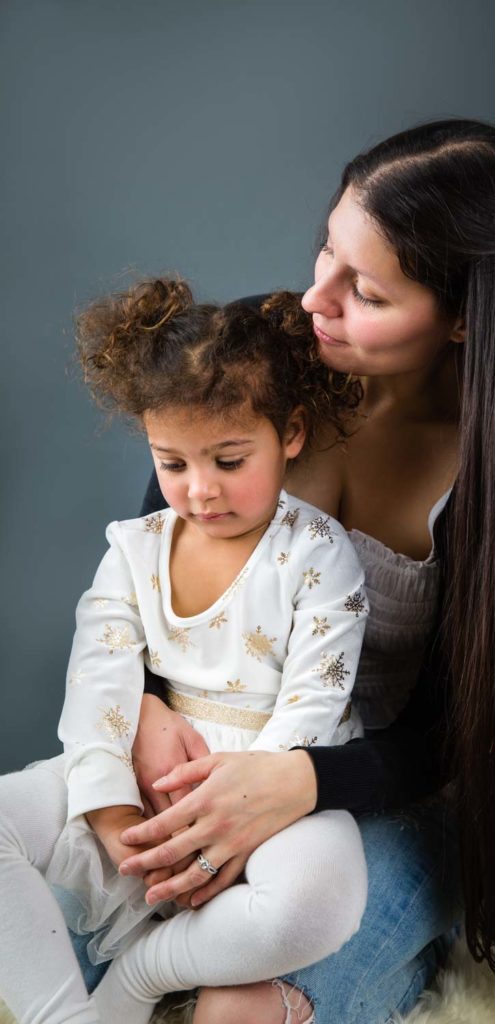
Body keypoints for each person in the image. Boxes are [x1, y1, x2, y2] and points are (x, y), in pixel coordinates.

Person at [117, 119, 495, 1024]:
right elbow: (146, 572)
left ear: (463, 318)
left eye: (367, 293)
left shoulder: (493, 469)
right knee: (86, 927)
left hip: (381, 797)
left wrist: (300, 782)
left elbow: (447, 736)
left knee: (239, 1002)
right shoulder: (257, 364)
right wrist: (144, 706)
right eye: (325, 253)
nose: (315, 299)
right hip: (200, 748)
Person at [0, 285, 371, 1024]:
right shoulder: (134, 548)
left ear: (289, 434)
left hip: (273, 785)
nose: (199, 491)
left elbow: (314, 701)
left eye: (229, 460)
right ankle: (66, 1017)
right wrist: (110, 809)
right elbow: (102, 674)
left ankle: (139, 977)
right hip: (150, 765)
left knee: (319, 903)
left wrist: (235, 812)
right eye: (171, 463)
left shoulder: (319, 554)